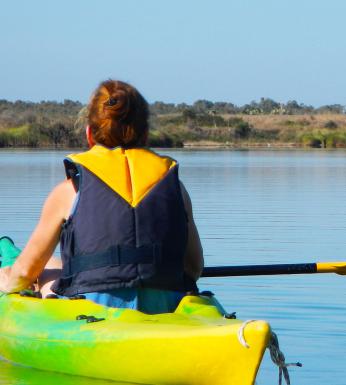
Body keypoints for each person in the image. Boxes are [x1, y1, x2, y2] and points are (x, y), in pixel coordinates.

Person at [0, 80, 204, 314]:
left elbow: (25, 273)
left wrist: (6, 282)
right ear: (145, 134)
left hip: (93, 310)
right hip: (165, 306)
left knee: (42, 268)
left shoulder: (68, 191)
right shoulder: (176, 188)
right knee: (50, 264)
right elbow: (193, 268)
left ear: (89, 134)